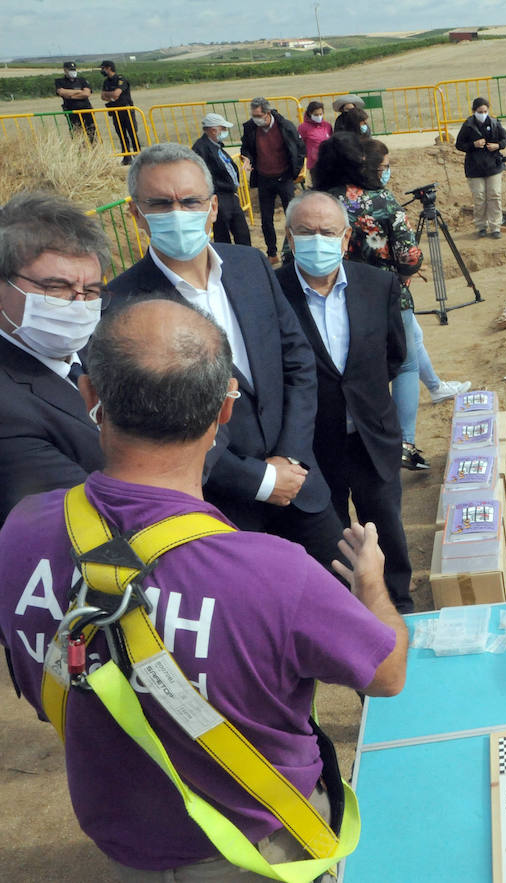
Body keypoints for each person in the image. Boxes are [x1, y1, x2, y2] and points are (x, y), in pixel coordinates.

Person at [0, 294, 408, 879]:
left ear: (90, 399)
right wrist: (370, 588)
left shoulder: (23, 530)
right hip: (259, 847)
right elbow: (386, 674)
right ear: (224, 409)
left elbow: (40, 678)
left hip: (125, 843)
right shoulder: (274, 573)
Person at [110, 142, 346, 569]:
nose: (178, 213)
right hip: (222, 510)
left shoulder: (249, 266)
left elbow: (297, 362)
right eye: (160, 204)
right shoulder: (123, 305)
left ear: (214, 207)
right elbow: (153, 422)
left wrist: (288, 459)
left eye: (191, 201)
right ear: (136, 214)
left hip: (299, 484)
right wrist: (255, 479)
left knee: (349, 601)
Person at [277, 190, 414, 612]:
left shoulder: (377, 284)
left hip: (372, 434)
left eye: (327, 231)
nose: (317, 240)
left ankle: (399, 602)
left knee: (385, 523)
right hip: (312, 444)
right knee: (327, 532)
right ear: (289, 235)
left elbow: (395, 355)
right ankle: (344, 611)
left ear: (345, 235)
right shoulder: (271, 290)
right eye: (305, 231)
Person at [311, 133, 469, 471]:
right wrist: (405, 271)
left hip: (327, 302)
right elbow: (408, 257)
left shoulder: (311, 202)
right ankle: (403, 442)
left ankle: (358, 438)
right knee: (405, 364)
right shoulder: (380, 201)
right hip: (387, 300)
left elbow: (289, 254)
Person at [0, 191, 109, 568]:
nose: (78, 304)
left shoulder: (102, 341)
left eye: (92, 291)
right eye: (56, 288)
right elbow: (98, 518)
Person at [240, 97, 304, 265]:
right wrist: (246, 158)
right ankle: (272, 253)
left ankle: (296, 250)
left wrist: (293, 173)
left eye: (258, 115)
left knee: (292, 216)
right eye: (253, 115)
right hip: (264, 179)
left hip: (284, 178)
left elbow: (299, 149)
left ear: (267, 114)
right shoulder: (250, 128)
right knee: (266, 219)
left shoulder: (285, 126)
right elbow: (246, 147)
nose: (255, 118)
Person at [191, 113, 252, 246]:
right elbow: (201, 174)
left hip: (230, 194)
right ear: (213, 130)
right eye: (223, 128)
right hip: (218, 195)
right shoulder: (201, 148)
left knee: (242, 232)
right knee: (222, 234)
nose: (225, 132)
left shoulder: (217, 146)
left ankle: (246, 257)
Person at [454, 97, 506, 238]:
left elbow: (505, 140)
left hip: (493, 166)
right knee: (479, 197)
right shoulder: (468, 125)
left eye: (485, 111)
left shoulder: (495, 123)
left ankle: (495, 227)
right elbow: (459, 144)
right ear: (474, 111)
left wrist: (497, 146)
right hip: (475, 168)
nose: (483, 114)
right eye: (480, 111)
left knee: (494, 195)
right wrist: (473, 145)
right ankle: (481, 226)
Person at [99, 60, 139, 164]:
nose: (102, 70)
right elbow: (102, 96)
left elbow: (117, 94)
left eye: (103, 68)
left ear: (108, 68)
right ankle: (126, 156)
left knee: (132, 133)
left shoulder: (121, 79)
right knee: (121, 134)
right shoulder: (106, 82)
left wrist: (110, 95)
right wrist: (111, 96)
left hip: (126, 110)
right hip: (115, 111)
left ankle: (138, 155)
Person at [53, 61, 97, 143]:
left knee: (91, 132)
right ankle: (81, 152)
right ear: (65, 70)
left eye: (74, 69)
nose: (73, 71)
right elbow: (61, 92)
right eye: (70, 69)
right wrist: (80, 91)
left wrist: (71, 96)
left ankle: (94, 151)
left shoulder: (82, 80)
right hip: (72, 111)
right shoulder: (60, 81)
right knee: (76, 134)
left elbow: (87, 93)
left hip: (86, 110)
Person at [298, 100, 333, 172]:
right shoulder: (303, 127)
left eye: (321, 114)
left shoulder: (327, 126)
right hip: (315, 165)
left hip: (329, 161)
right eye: (316, 115)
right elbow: (300, 145)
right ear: (310, 113)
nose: (319, 116)